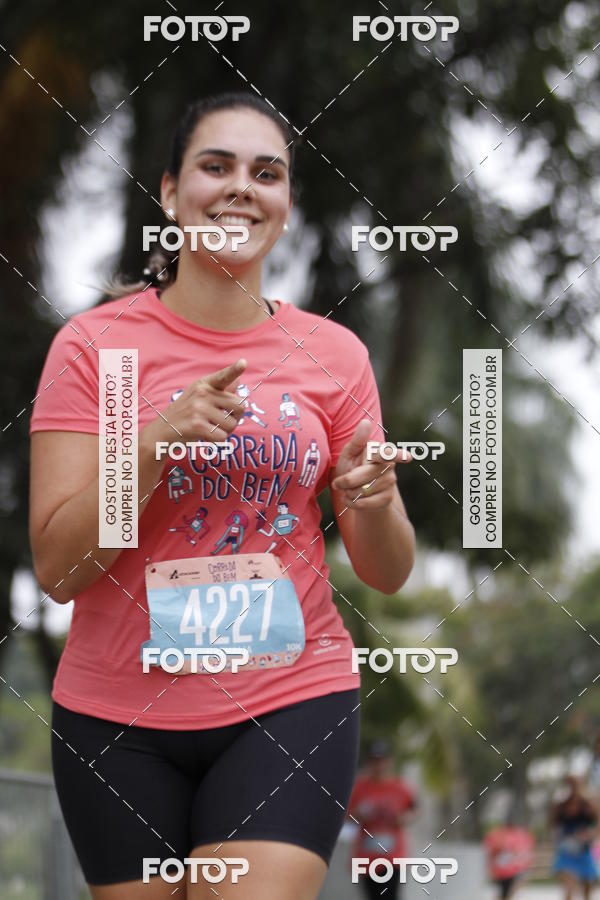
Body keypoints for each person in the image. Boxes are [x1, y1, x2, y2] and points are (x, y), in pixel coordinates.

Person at [28, 91, 416, 899]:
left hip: (290, 695)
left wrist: (373, 502)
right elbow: (58, 571)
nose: (242, 186)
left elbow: (386, 571)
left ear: (286, 204)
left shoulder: (333, 355)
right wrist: (154, 444)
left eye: (265, 172)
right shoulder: (95, 346)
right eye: (217, 166)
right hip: (118, 718)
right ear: (170, 192)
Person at [347, 739, 418, 899]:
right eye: (375, 761)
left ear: (389, 761)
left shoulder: (401, 787)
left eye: (382, 761)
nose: (379, 765)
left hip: (392, 857)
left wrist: (404, 818)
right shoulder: (359, 787)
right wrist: (358, 814)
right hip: (366, 858)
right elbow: (347, 816)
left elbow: (415, 810)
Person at [551, 774, 599, 899]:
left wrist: (588, 834)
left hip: (583, 850)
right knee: (569, 885)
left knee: (588, 886)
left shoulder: (587, 805)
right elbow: (553, 826)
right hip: (566, 850)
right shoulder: (561, 805)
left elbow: (597, 825)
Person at [483, 812, 535, 898]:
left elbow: (528, 852)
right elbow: (492, 852)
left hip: (516, 870)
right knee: (505, 893)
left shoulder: (522, 835)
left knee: (509, 892)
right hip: (503, 871)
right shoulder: (497, 835)